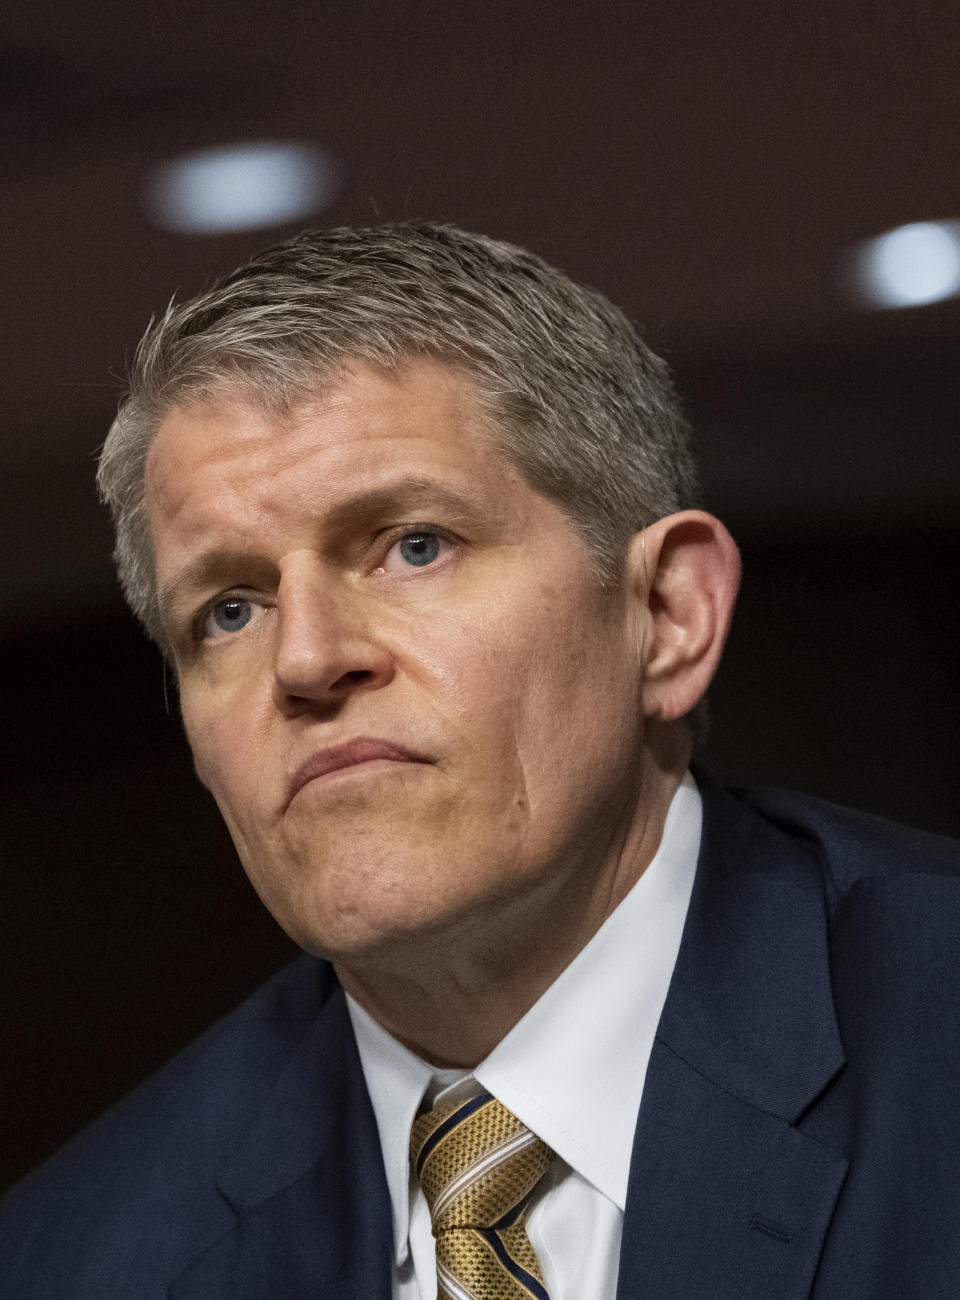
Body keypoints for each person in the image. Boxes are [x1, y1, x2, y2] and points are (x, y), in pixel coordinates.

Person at [1, 223, 958, 1299]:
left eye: (415, 544)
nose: (306, 658)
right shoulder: (73, 1260)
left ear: (669, 614)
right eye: (230, 610)